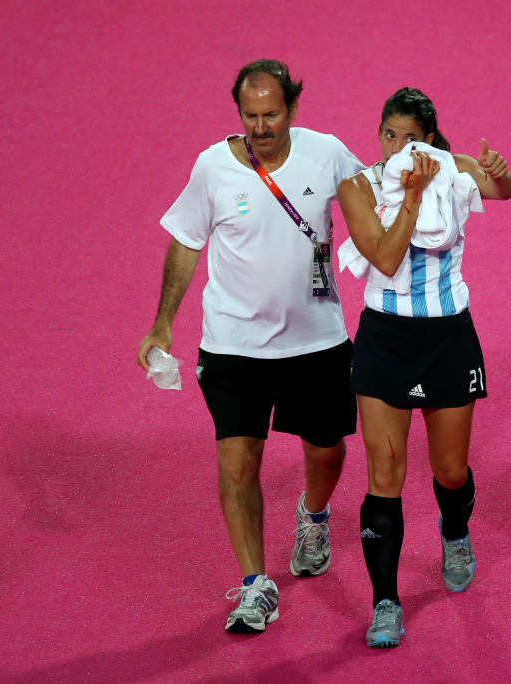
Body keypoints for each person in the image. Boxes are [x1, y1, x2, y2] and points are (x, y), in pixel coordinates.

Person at [137, 59, 364, 634]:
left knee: (328, 450)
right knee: (238, 462)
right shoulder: (213, 168)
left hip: (316, 341)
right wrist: (163, 323)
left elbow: (380, 192)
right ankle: (254, 584)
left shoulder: (326, 153)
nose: (261, 128)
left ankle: (313, 513)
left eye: (271, 115)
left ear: (292, 109)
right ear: (239, 113)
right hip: (234, 346)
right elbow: (187, 243)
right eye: (251, 116)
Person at [336, 87, 511, 648]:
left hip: (447, 338)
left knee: (450, 471)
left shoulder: (454, 170)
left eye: (410, 138)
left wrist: (499, 172)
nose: (397, 147)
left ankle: (455, 528)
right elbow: (384, 257)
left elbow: (503, 190)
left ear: (431, 139)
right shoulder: (359, 186)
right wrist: (409, 198)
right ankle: (385, 601)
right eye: (389, 135)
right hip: (385, 340)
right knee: (383, 477)